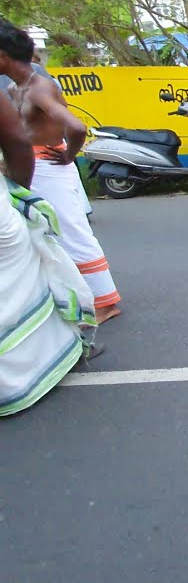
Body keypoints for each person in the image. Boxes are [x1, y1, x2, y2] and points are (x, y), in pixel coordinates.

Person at [1, 22, 121, 327]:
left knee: (72, 231)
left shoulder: (39, 88)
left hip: (50, 167)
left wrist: (69, 154)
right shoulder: (16, 88)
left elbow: (76, 126)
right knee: (48, 234)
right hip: (32, 168)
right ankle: (74, 297)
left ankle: (105, 301)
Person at [0, 87, 97, 414]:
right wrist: (18, 190)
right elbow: (15, 139)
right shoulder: (23, 90)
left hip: (47, 170)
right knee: (29, 271)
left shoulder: (36, 88)